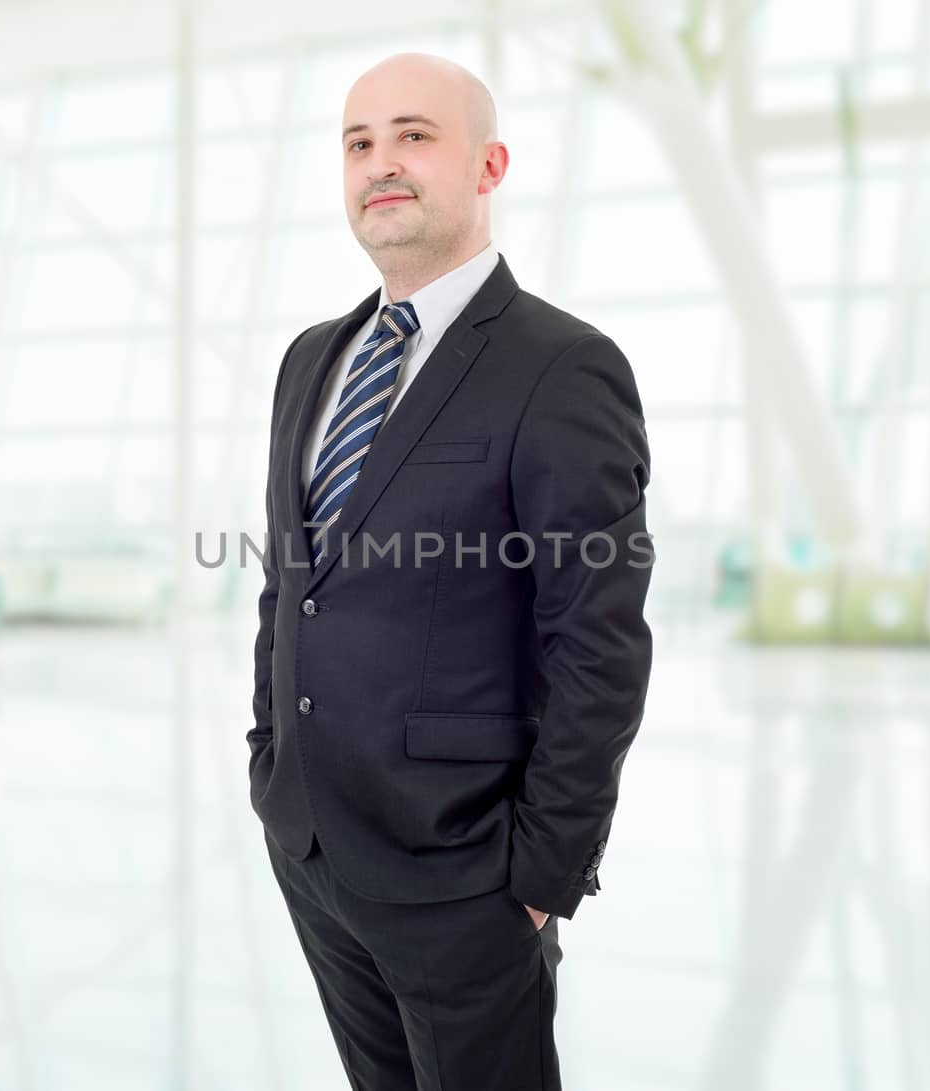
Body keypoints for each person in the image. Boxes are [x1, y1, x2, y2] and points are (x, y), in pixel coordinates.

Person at [247, 51, 653, 1091]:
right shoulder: (310, 359)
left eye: (414, 136)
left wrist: (537, 878)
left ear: (488, 163)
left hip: (465, 874)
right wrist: (270, 763)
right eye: (359, 142)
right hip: (316, 854)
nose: (382, 163)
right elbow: (288, 585)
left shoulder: (560, 366)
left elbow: (597, 642)